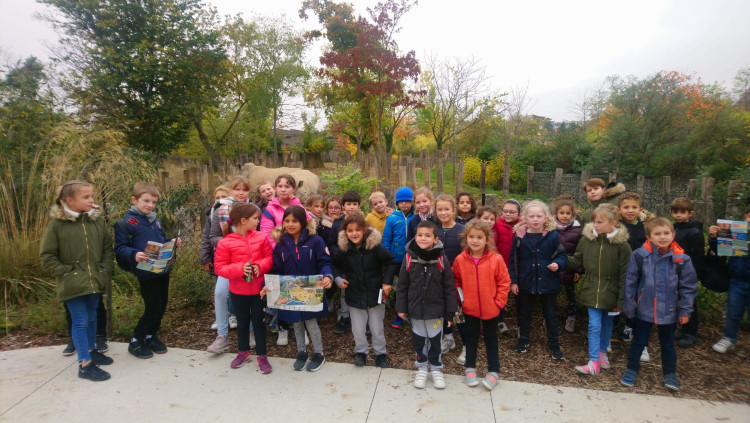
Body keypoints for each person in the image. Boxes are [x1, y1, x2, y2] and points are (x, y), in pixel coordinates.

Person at [40, 180, 114, 381]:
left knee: (91, 317)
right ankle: (84, 364)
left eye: (92, 196)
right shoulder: (57, 225)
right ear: (69, 201)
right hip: (72, 283)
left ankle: (91, 350)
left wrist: (104, 269)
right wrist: (66, 272)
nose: (92, 200)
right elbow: (47, 256)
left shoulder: (97, 221)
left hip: (94, 280)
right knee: (80, 321)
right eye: (86, 197)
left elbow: (107, 246)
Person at [620, 217, 698, 392]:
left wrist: (685, 310)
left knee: (668, 343)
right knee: (639, 342)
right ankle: (632, 369)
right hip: (644, 309)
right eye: (657, 234)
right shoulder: (640, 255)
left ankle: (670, 373)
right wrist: (630, 305)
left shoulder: (682, 259)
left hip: (669, 310)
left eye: (666, 233)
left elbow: (688, 286)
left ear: (673, 234)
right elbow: (630, 282)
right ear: (648, 236)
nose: (662, 237)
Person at [115, 182, 181, 360]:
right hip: (146, 271)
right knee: (152, 308)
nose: (150, 205)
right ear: (134, 200)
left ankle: (151, 335)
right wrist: (134, 254)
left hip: (162, 269)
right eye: (146, 201)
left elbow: (160, 241)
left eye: (153, 202)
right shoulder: (126, 223)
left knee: (162, 306)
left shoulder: (155, 220)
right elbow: (120, 248)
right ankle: (137, 339)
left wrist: (171, 241)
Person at [567, 203, 631, 375]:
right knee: (594, 325)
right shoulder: (587, 240)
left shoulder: (622, 246)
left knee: (607, 324)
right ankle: (594, 361)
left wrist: (621, 299)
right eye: (594, 221)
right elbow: (577, 261)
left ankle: (603, 352)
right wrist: (560, 258)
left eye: (600, 222)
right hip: (591, 290)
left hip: (611, 293)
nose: (595, 225)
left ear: (613, 223)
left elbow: (625, 274)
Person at [271, 206, 334, 372]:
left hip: (310, 288)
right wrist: (269, 286)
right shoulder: (281, 245)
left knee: (311, 322)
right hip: (290, 289)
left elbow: (325, 262)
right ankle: (301, 352)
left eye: (295, 221)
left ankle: (319, 354)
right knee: (296, 322)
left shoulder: (315, 241)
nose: (290, 224)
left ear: (303, 222)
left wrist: (327, 276)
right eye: (287, 221)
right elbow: (276, 269)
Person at [396, 220, 457, 389]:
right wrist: (401, 308)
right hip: (415, 309)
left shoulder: (441, 259)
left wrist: (450, 313)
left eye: (427, 236)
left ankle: (436, 368)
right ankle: (422, 367)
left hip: (436, 310)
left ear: (435, 238)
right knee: (419, 341)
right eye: (420, 235)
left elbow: (449, 288)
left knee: (435, 341)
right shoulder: (409, 258)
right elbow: (402, 285)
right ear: (415, 237)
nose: (423, 238)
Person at [214, 203, 274, 372]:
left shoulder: (261, 237)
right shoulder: (225, 243)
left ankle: (262, 356)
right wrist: (239, 269)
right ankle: (243, 351)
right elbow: (220, 267)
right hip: (238, 291)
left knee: (258, 323)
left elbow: (269, 258)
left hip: (258, 291)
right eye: (255, 218)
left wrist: (260, 266)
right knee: (242, 323)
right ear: (243, 220)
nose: (258, 221)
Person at [452, 220, 511, 391]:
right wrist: (462, 300)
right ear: (466, 238)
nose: (475, 241)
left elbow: (504, 282)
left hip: (491, 308)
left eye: (479, 237)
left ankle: (494, 371)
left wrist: (498, 303)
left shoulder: (496, 259)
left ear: (487, 239)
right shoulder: (460, 260)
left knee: (491, 340)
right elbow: (456, 281)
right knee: (470, 339)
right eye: (471, 237)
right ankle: (470, 367)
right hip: (469, 308)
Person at [333, 214, 397, 368]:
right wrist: (338, 279)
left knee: (376, 328)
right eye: (350, 231)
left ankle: (380, 353)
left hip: (375, 294)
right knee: (358, 329)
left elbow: (390, 262)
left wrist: (387, 282)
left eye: (357, 230)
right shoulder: (345, 249)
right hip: (354, 294)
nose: (354, 234)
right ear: (345, 232)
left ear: (364, 230)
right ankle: (361, 352)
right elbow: (335, 265)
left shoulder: (374, 247)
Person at [509, 200, 567, 359]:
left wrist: (558, 264)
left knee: (550, 315)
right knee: (524, 313)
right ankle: (523, 340)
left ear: (546, 218)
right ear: (524, 218)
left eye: (539, 216)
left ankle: (554, 344)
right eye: (531, 216)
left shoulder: (553, 235)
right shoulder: (519, 237)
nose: (535, 219)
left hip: (548, 282)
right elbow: (513, 260)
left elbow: (562, 255)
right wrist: (513, 281)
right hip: (526, 283)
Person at [206, 177, 252, 353]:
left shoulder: (253, 209)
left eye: (245, 190)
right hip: (228, 259)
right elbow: (213, 236)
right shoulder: (221, 209)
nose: (241, 193)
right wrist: (231, 243)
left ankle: (250, 330)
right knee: (220, 293)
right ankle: (222, 336)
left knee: (248, 296)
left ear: (249, 192)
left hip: (248, 259)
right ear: (231, 190)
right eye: (237, 189)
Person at [616, 192, 654, 361]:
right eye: (626, 207)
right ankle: (621, 328)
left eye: (634, 207)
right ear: (619, 210)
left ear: (640, 209)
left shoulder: (647, 227)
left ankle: (641, 340)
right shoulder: (616, 227)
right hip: (622, 271)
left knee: (641, 304)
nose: (630, 210)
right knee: (623, 300)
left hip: (643, 272)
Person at [709, 205, 750, 354]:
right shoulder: (738, 232)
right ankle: (729, 338)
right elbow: (721, 250)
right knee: (733, 311)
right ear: (745, 217)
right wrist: (714, 237)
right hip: (737, 281)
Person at [670, 197, 706, 348]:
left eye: (682, 212)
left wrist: (693, 274)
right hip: (673, 269)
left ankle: (690, 333)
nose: (679, 215)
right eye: (676, 212)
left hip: (688, 272)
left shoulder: (695, 232)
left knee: (688, 301)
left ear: (690, 213)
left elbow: (697, 256)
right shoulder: (674, 227)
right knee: (677, 299)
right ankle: (682, 328)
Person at [433, 194, 465, 356]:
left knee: (459, 311)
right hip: (438, 278)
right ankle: (448, 337)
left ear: (454, 210)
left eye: (447, 209)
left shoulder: (461, 230)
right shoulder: (433, 229)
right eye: (440, 209)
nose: (443, 213)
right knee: (442, 308)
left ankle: (467, 344)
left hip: (458, 280)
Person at [330, 190, 363, 335]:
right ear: (343, 206)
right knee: (345, 290)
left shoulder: (364, 222)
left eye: (354, 204)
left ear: (359, 206)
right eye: (348, 204)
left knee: (361, 288)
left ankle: (363, 319)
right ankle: (344, 316)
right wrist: (337, 251)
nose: (351, 207)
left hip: (360, 262)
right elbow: (331, 242)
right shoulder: (337, 224)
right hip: (343, 261)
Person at [383, 186, 414, 329]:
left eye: (407, 201)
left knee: (411, 286)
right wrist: (387, 257)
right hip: (396, 259)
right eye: (401, 202)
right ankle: (398, 314)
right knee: (398, 287)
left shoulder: (416, 217)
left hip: (412, 259)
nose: (404, 204)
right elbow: (387, 238)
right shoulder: (392, 219)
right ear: (397, 203)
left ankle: (411, 312)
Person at [551, 195, 583, 333]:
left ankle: (571, 317)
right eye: (562, 213)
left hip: (570, 267)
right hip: (554, 268)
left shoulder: (578, 229)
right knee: (552, 294)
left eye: (568, 213)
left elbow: (581, 251)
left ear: (573, 214)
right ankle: (551, 317)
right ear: (556, 213)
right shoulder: (551, 228)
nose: (565, 216)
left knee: (571, 294)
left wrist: (579, 270)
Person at [492, 199, 522, 337]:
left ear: (519, 213)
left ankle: (521, 323)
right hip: (501, 265)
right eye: (505, 211)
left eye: (512, 212)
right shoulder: (497, 224)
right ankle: (500, 320)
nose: (508, 214)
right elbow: (494, 244)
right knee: (501, 294)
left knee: (518, 294)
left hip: (518, 266)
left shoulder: (523, 226)